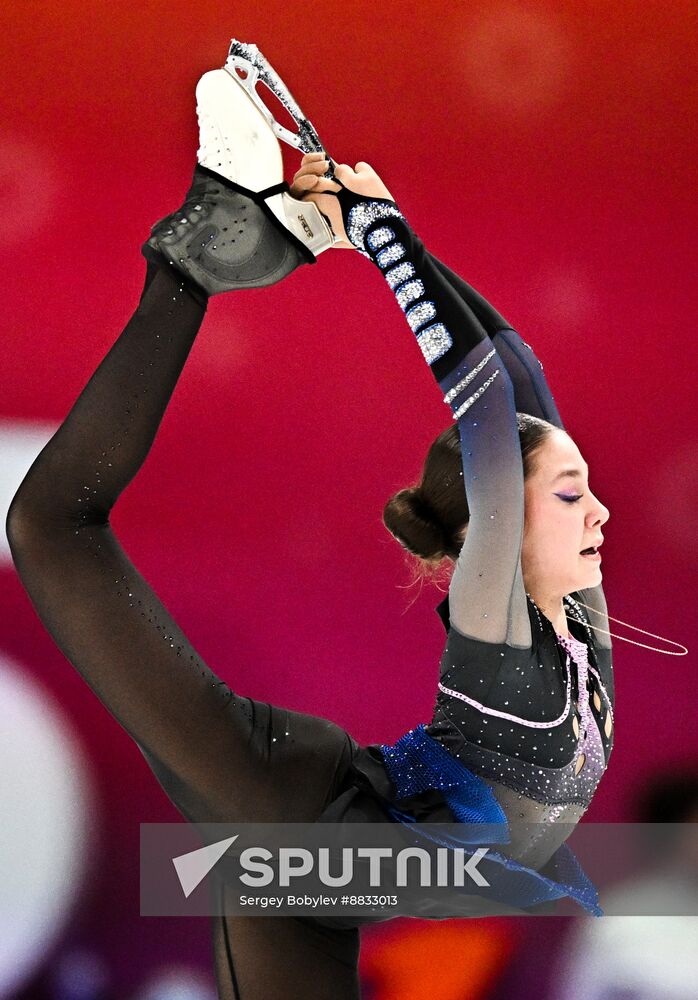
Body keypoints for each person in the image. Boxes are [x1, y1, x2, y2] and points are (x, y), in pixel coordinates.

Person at [6, 39, 614, 1000]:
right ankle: (195, 265)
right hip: (303, 822)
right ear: (494, 534)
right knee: (52, 528)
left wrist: (390, 233)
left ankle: (218, 239)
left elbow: (517, 374)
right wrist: (380, 233)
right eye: (574, 493)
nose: (603, 514)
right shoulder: (503, 610)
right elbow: (496, 411)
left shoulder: (572, 605)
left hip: (329, 836)